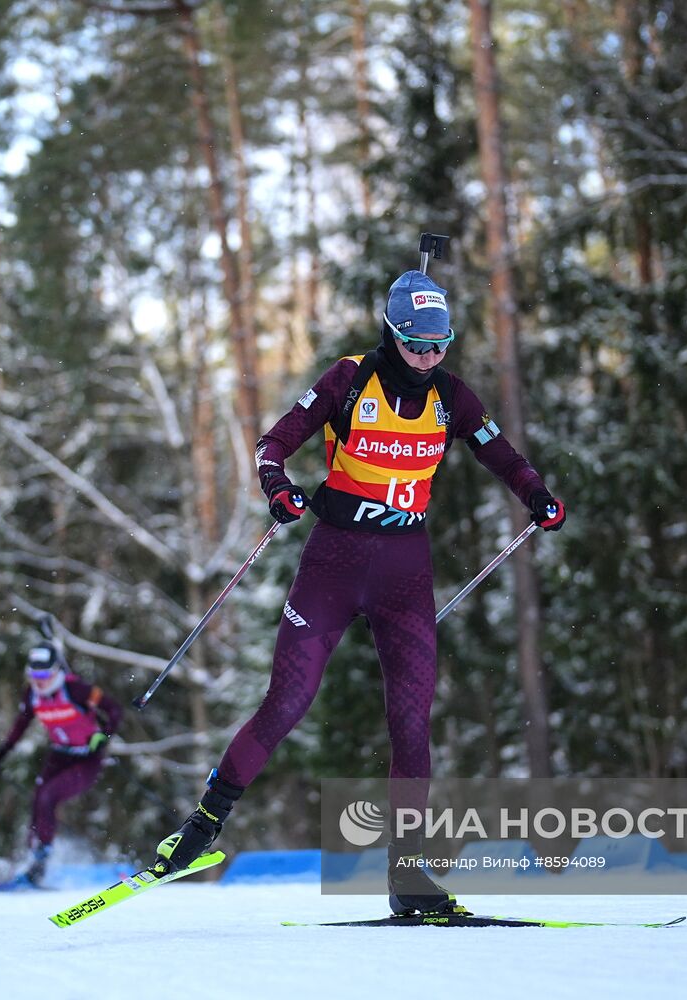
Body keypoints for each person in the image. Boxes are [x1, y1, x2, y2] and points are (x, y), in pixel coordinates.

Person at [148, 266, 566, 915]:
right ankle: (197, 831)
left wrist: (535, 493)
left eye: (440, 345)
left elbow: (500, 452)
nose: (429, 358)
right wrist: (278, 488)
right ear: (391, 333)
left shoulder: (452, 396)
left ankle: (409, 878)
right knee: (286, 704)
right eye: (417, 345)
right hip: (333, 564)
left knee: (411, 723)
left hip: (406, 570)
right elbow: (274, 444)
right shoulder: (349, 379)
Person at [0, 641, 124, 886]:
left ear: (56, 670)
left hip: (87, 759)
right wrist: (2, 753)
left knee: (49, 796)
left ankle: (41, 859)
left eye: (44, 674)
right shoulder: (32, 695)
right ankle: (33, 859)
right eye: (33, 675)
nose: (38, 681)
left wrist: (104, 734)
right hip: (59, 755)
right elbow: (20, 725)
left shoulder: (76, 689)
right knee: (38, 799)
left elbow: (114, 709)